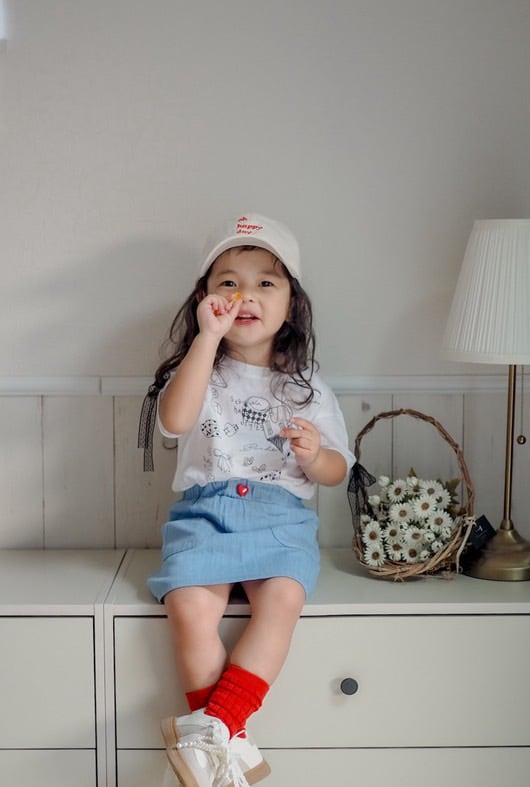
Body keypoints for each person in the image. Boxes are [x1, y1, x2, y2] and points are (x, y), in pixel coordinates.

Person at [139, 213, 354, 787]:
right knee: (188, 606)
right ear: (206, 300)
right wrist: (206, 340)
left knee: (283, 597)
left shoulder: (307, 386)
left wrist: (315, 455)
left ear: (292, 305)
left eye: (265, 283)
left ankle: (209, 734)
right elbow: (173, 421)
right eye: (228, 283)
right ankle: (227, 744)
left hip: (278, 518)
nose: (246, 296)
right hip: (204, 516)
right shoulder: (199, 370)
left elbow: (337, 471)